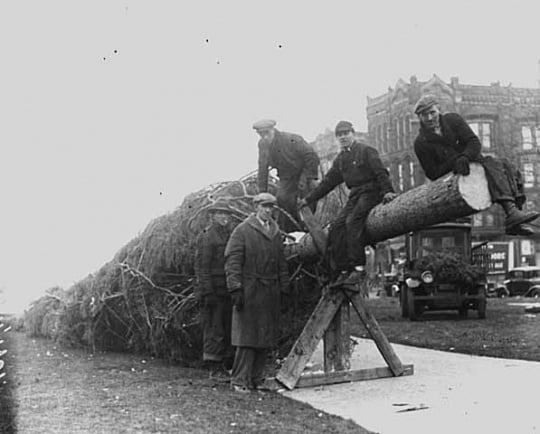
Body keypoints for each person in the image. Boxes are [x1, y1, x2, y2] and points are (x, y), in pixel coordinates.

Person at [413, 94, 539, 236]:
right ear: (419, 117)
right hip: (453, 175)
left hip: (473, 161)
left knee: (506, 165)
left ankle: (515, 216)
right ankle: (512, 212)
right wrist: (454, 162)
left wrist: (466, 156)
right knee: (491, 165)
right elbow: (432, 172)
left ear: (439, 110)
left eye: (432, 112)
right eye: (424, 115)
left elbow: (473, 142)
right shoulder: (421, 143)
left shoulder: (453, 120)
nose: (430, 118)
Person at [299, 120, 397, 286]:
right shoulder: (341, 160)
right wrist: (308, 200)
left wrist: (388, 191)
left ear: (353, 133)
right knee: (337, 226)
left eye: (346, 133)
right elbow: (327, 183)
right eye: (340, 135)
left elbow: (381, 172)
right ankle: (343, 269)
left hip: (372, 191)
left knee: (353, 222)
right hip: (356, 194)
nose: (343, 137)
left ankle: (358, 268)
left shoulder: (366, 151)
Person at [224, 192, 289, 392]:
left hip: (270, 291)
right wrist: (235, 288)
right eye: (264, 206)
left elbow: (281, 263)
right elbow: (232, 261)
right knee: (247, 338)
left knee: (265, 337)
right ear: (256, 207)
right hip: (249, 290)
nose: (268, 211)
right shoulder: (242, 231)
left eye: (271, 207)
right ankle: (239, 380)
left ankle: (256, 379)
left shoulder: (275, 233)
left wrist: (284, 286)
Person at [254, 119, 320, 232]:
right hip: (286, 177)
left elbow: (311, 156)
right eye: (261, 134)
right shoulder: (262, 145)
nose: (264, 137)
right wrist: (262, 193)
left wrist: (305, 178)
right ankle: (292, 230)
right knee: (282, 199)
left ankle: (310, 227)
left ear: (273, 130)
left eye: (267, 133)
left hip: (304, 172)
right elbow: (262, 167)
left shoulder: (291, 139)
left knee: (307, 198)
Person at [194, 203, 235, 373]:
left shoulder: (228, 235)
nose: (224, 217)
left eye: (226, 214)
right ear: (212, 216)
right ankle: (213, 367)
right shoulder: (207, 236)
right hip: (213, 291)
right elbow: (202, 267)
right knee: (214, 328)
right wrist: (207, 292)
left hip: (226, 289)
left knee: (226, 327)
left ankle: (223, 364)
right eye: (220, 214)